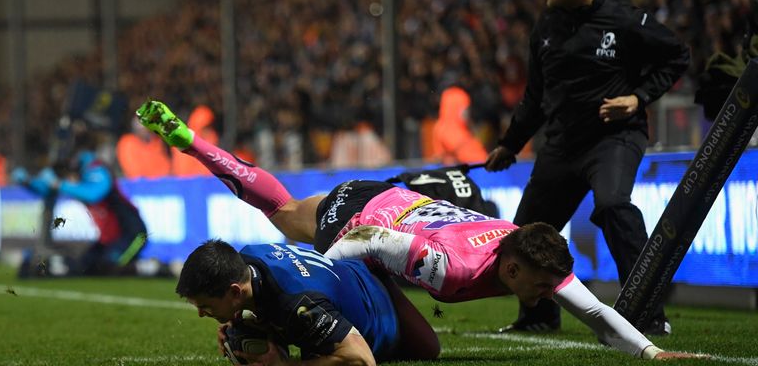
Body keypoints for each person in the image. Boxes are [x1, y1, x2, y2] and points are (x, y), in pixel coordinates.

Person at [136, 100, 700, 361]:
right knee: (290, 229)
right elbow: (372, 243)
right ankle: (267, 326)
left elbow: (598, 314)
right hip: (365, 218)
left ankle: (194, 144)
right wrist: (325, 264)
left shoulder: (533, 253)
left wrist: (651, 354)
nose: (542, 294)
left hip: (399, 201)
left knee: (280, 208)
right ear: (511, 267)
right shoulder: (450, 266)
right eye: (534, 285)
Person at [484, 0, 690, 335]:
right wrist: (510, 143)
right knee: (524, 232)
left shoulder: (623, 19)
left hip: (613, 138)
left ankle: (648, 312)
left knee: (613, 204)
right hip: (561, 145)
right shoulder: (545, 26)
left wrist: (638, 97)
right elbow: (534, 96)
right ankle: (539, 318)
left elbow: (677, 54)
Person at [177, 239, 439, 365]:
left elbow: (361, 359)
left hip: (382, 323)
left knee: (427, 351)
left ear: (235, 291)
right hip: (361, 273)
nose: (201, 313)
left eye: (206, 306)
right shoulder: (248, 255)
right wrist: (235, 315)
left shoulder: (299, 305)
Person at [12, 129, 148, 276]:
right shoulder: (74, 172)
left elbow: (93, 194)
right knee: (84, 267)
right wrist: (27, 182)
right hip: (108, 239)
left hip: (133, 234)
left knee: (108, 267)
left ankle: (153, 268)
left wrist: (58, 184)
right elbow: (46, 190)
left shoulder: (98, 169)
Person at [432, 86, 488, 165]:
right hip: (473, 169)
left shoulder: (442, 127)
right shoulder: (452, 130)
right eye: (465, 109)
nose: (467, 113)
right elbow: (476, 158)